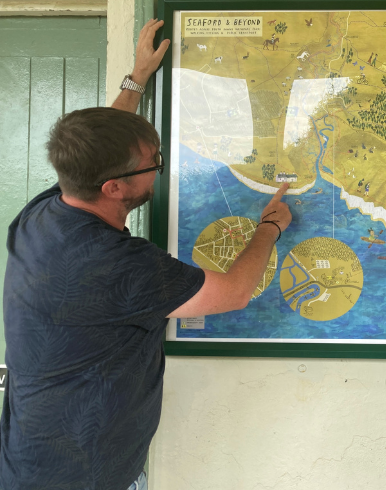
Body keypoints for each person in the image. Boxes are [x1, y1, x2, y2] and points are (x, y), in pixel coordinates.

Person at [0, 19, 292, 490]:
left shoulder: (46, 213)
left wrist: (136, 80)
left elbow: (96, 148)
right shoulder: (122, 266)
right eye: (154, 162)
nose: (160, 165)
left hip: (33, 460)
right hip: (79, 477)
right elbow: (235, 291)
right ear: (114, 188)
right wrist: (270, 228)